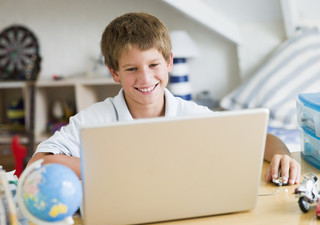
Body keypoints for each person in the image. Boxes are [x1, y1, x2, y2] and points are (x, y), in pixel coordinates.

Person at [28, 12, 301, 185]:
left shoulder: (190, 114)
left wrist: (282, 155)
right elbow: (37, 163)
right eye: (132, 69)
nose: (146, 79)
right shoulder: (94, 119)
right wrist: (111, 169)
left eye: (154, 65)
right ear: (114, 73)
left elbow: (260, 137)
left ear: (169, 62)